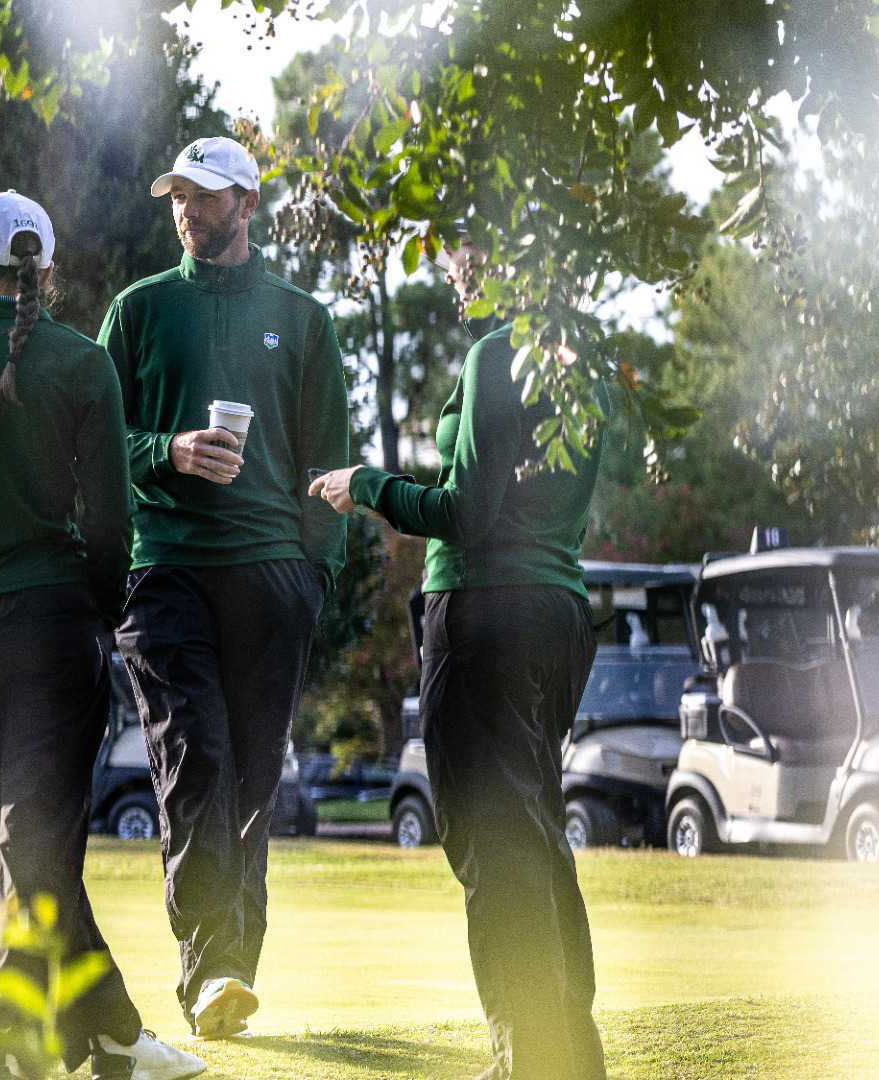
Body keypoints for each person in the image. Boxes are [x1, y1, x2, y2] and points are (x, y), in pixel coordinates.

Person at [0, 191, 204, 1080]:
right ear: (44, 275)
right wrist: (96, 612)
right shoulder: (81, 361)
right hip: (54, 631)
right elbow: (110, 525)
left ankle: (114, 1037)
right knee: (34, 850)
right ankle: (18, 1044)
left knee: (26, 851)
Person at [308, 236, 611, 1080]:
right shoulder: (583, 359)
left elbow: (467, 512)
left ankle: (527, 1059)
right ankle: (567, 1057)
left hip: (482, 615)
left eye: (461, 253)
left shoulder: (495, 354)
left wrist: (365, 485)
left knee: (489, 835)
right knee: (538, 831)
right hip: (556, 616)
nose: (449, 269)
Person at [97, 137, 350, 1039]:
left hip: (272, 579)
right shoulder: (136, 312)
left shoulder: (304, 317)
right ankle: (212, 970)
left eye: (204, 198)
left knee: (251, 778)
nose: (187, 212)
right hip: (162, 568)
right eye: (177, 198)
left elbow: (331, 467)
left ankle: (234, 968)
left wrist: (309, 575)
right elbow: (91, 451)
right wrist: (165, 452)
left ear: (248, 200)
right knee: (193, 761)